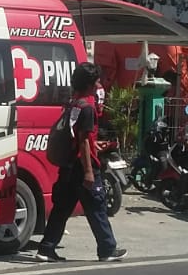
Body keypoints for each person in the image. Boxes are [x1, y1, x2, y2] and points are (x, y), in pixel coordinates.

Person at [34, 62, 128, 263]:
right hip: (82, 166)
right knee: (97, 207)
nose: (99, 84)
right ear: (91, 84)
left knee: (61, 209)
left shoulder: (73, 103)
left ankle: (47, 248)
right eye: (97, 80)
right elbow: (84, 141)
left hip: (68, 166)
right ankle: (107, 249)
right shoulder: (87, 108)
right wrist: (88, 172)